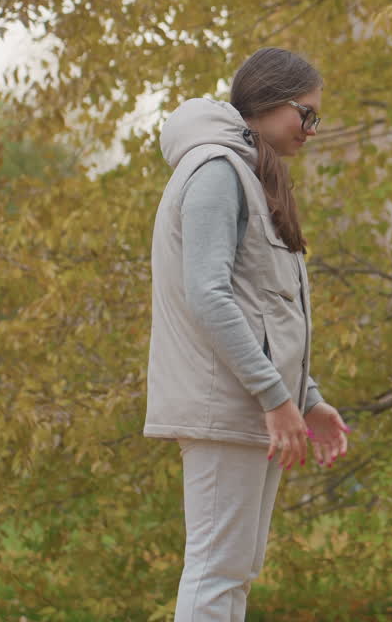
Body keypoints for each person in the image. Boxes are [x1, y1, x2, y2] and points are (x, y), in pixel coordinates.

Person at [144, 47, 350, 622]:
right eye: (305, 114)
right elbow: (208, 298)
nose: (312, 129)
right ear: (265, 104)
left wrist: (307, 399)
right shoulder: (216, 171)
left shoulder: (249, 173)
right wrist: (276, 399)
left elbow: (265, 307)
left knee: (233, 569)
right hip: (228, 405)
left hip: (250, 405)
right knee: (215, 570)